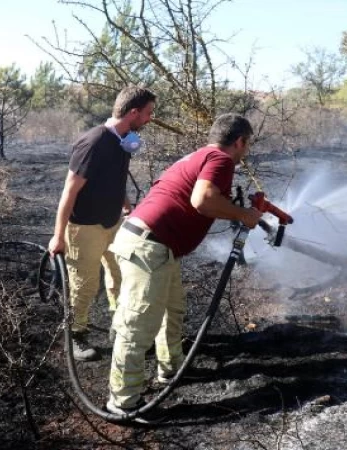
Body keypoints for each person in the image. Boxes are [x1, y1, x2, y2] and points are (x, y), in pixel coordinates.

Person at [105, 113, 263, 415]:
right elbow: (202, 200)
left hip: (156, 245)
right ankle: (124, 402)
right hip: (148, 245)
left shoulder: (200, 155)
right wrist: (243, 214)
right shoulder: (220, 159)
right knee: (138, 325)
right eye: (248, 144)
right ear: (239, 141)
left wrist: (240, 210)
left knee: (172, 310)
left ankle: (171, 370)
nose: (247, 151)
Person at [49, 86, 156, 361]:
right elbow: (69, 191)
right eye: (147, 113)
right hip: (84, 227)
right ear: (133, 113)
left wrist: (126, 203)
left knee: (121, 276)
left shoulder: (124, 140)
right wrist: (58, 236)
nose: (149, 118)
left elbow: (113, 178)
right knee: (84, 284)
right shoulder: (94, 143)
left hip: (113, 224)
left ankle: (121, 328)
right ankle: (76, 336)